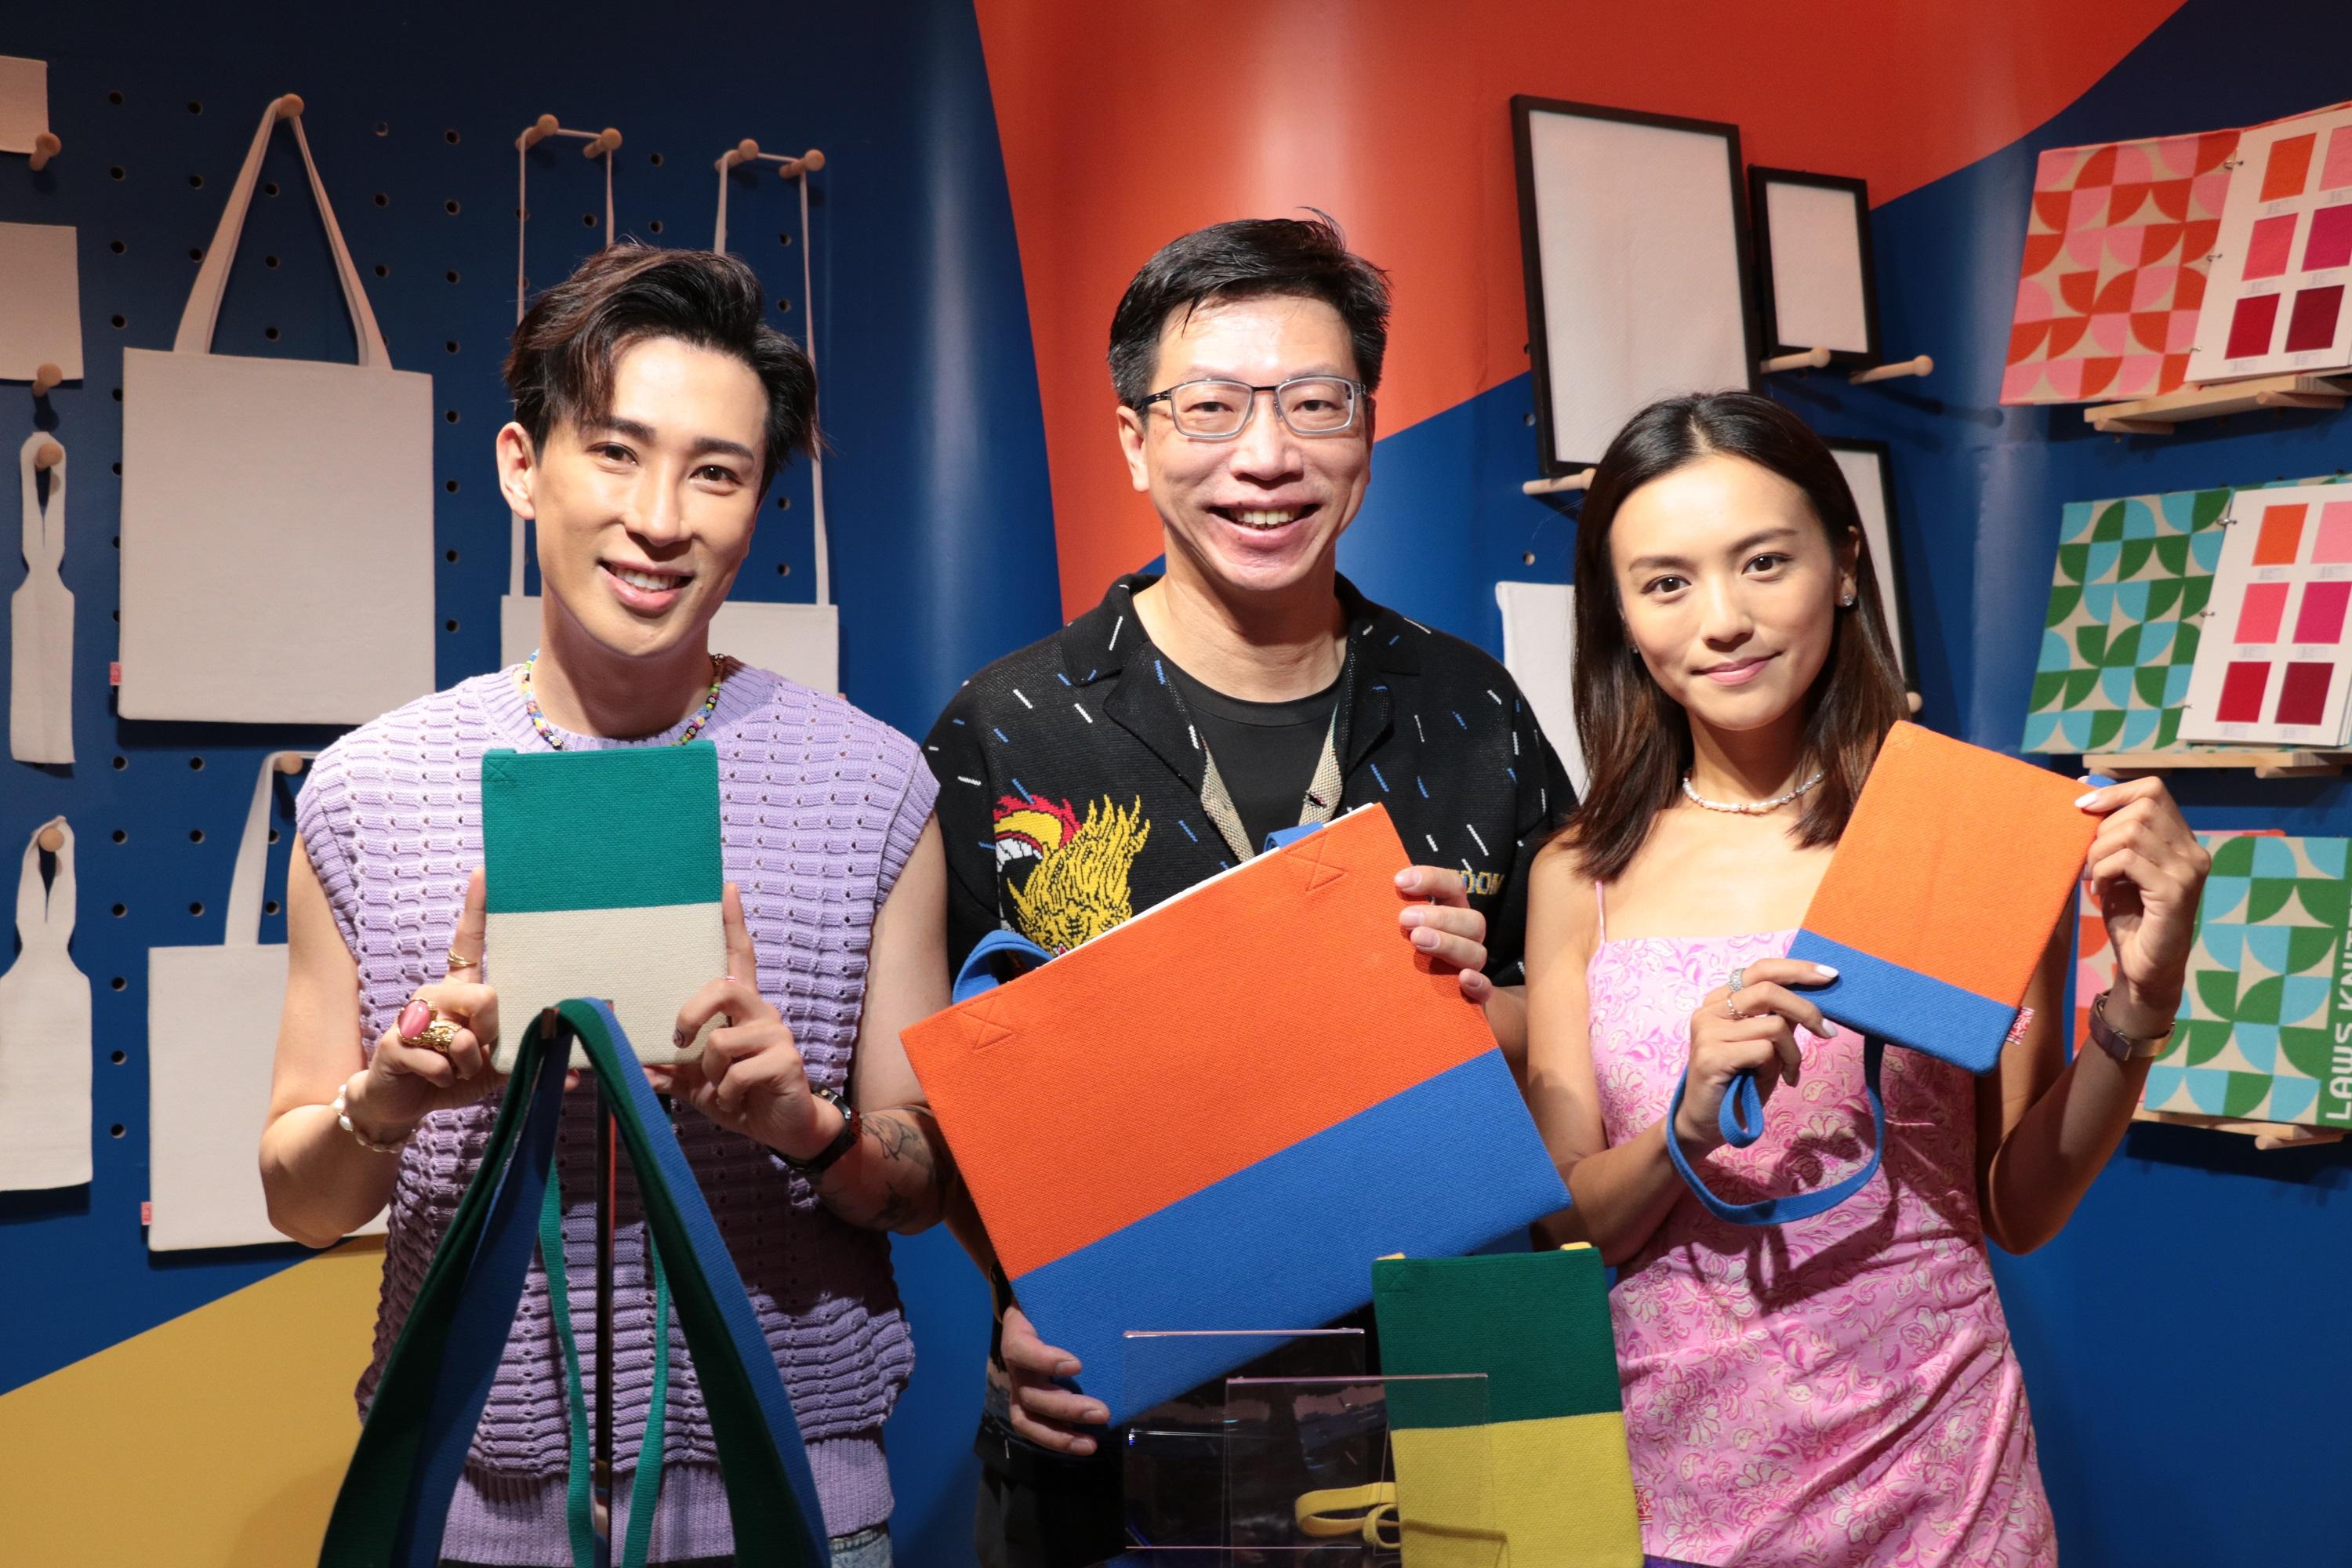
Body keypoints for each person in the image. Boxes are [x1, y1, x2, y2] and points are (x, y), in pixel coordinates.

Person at [260, 245, 952, 1568]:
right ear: (524, 466)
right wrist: (389, 1099)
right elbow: (301, 1199)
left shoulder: (871, 787)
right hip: (468, 1518)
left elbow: (917, 1184)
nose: (660, 517)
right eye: (617, 454)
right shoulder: (367, 791)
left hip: (796, 1514)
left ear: (758, 503)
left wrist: (805, 1127)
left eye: (717, 473)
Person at [924, 214, 1575, 1568]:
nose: (1267, 456)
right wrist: (1019, 1298)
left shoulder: (1473, 710)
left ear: (1369, 431)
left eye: (1315, 404)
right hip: (1124, 1405)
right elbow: (944, 1098)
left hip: (1455, 1396)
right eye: (1210, 408)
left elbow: (1580, 1033)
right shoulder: (1011, 727)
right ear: (1133, 439)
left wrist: (1475, 1002)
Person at [1520, 390, 2209, 1566]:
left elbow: (2016, 1208)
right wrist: (1687, 1125)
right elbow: (1569, 1233)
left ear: (1843, 565)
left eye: (1764, 562)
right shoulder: (1580, 873)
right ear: (1620, 615)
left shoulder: (1965, 829)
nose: (1723, 621)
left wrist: (2139, 1007)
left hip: (1941, 1482)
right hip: (1668, 1495)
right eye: (1667, 582)